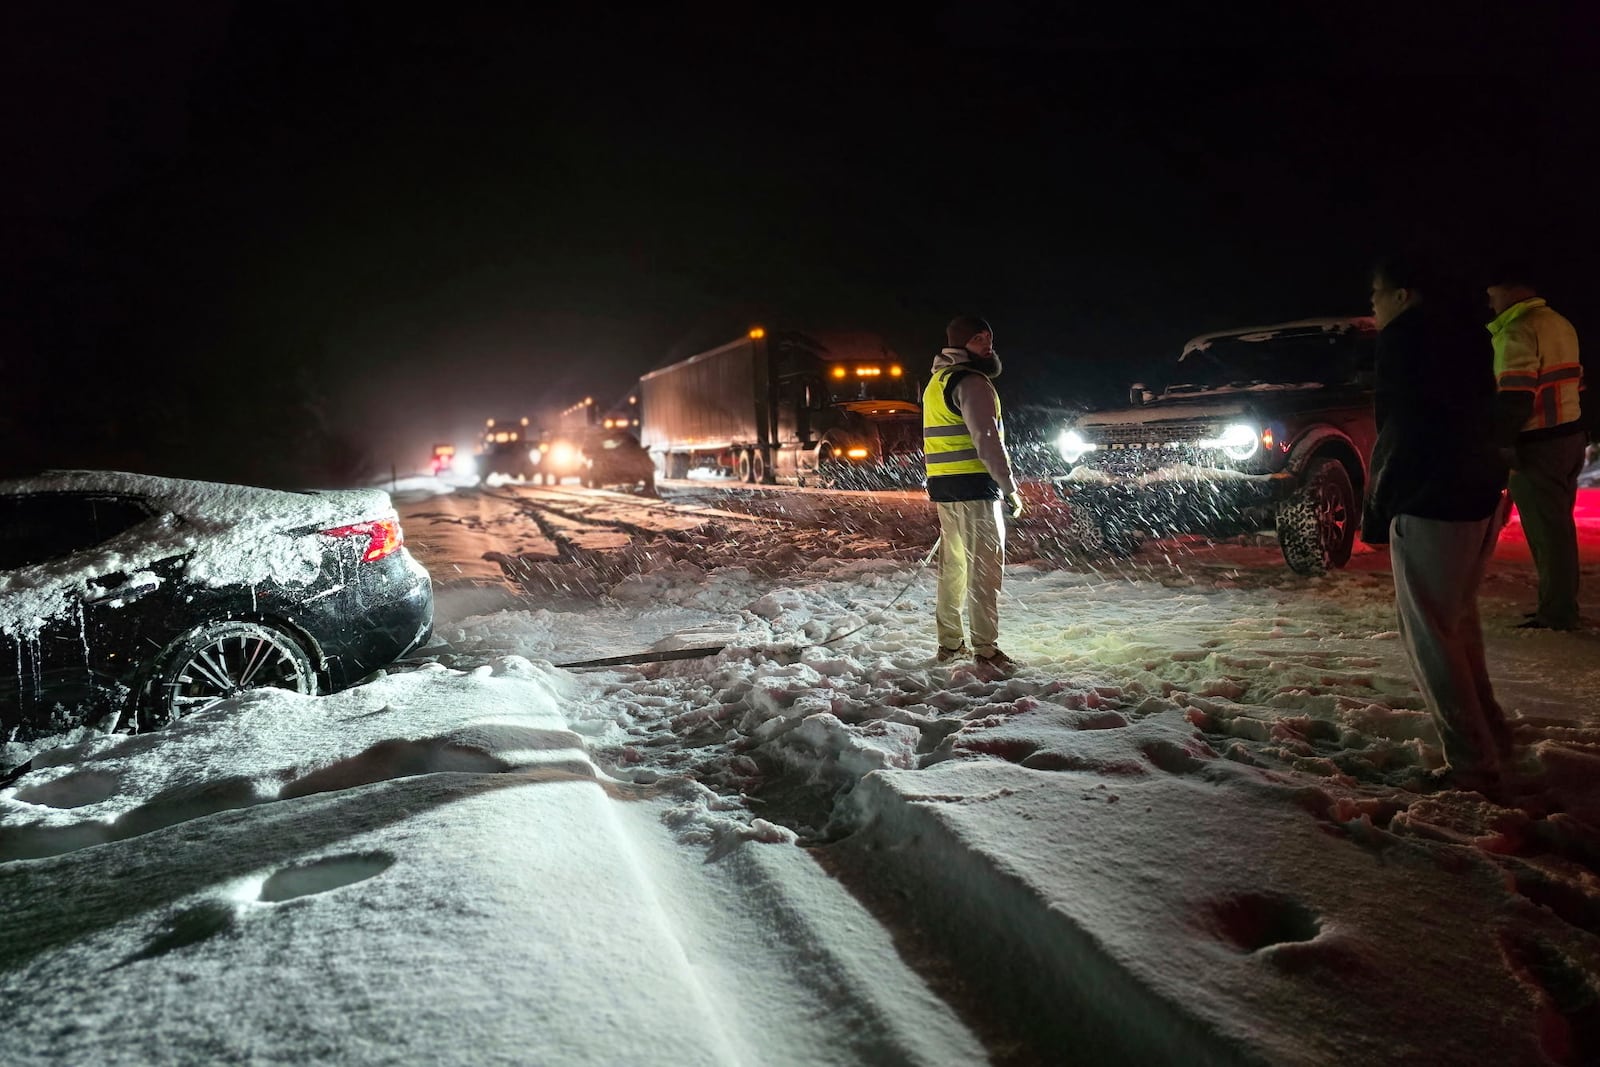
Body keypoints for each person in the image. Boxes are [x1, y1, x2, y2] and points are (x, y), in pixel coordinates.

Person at [1361, 257, 1512, 794]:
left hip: (1433, 500)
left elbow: (1400, 429)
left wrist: (1378, 507)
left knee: (1430, 634)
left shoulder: (1405, 340)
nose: (1372, 304)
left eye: (1376, 292)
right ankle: (1494, 741)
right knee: (1457, 625)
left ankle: (1472, 763)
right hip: (1479, 491)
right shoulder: (1469, 332)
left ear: (1404, 294)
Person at [922, 315, 1023, 673]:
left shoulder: (937, 382)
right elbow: (987, 440)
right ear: (962, 343)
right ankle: (986, 649)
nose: (988, 344)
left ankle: (949, 644)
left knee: (954, 568)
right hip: (976, 488)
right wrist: (1008, 486)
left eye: (990, 337)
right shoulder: (973, 382)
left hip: (947, 489)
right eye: (980, 339)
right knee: (983, 568)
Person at [1487, 267, 1585, 630]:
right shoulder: (1560, 323)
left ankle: (1558, 612)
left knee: (1548, 534)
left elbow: (1515, 396)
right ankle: (1559, 605)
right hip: (1569, 437)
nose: (1490, 302)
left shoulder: (1516, 331)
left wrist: (1502, 442)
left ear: (1512, 291)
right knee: (1559, 529)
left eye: (1493, 294)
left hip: (1538, 443)